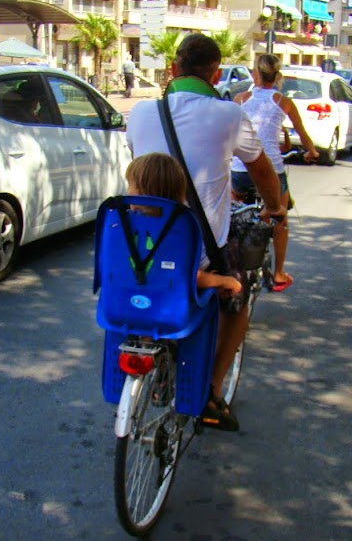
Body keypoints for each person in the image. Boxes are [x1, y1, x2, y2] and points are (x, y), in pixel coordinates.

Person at [126, 33, 286, 432]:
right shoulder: (228, 114)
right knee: (238, 295)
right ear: (216, 74)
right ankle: (212, 391)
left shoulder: (142, 112)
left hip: (141, 243)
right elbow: (263, 172)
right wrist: (275, 207)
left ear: (172, 69)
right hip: (196, 251)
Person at [232, 54, 318, 292]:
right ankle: (278, 273)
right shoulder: (284, 101)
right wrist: (311, 152)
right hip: (271, 171)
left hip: (241, 169)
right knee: (280, 217)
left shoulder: (239, 99)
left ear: (254, 74)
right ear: (278, 76)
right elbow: (302, 134)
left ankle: (230, 261)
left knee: (232, 212)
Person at [126, 153, 242, 298]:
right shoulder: (177, 229)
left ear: (141, 191)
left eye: (130, 184)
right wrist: (222, 281)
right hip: (166, 308)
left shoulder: (123, 226)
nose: (127, 190)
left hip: (127, 303)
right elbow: (188, 275)